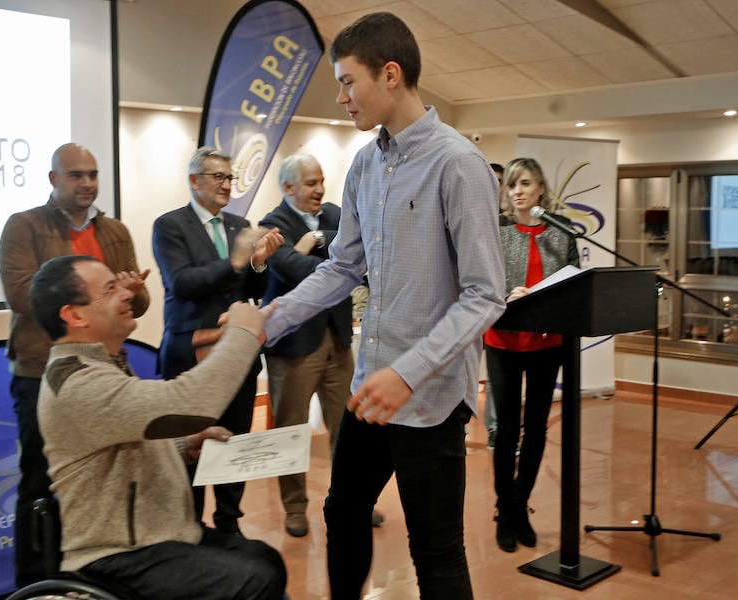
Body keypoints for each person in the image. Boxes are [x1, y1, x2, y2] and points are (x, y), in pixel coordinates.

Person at [263, 12, 505, 599]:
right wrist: (268, 320)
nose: (342, 97)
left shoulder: (457, 164)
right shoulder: (365, 166)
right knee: (343, 514)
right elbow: (343, 268)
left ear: (390, 74)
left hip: (427, 398)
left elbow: (485, 293)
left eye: (348, 82)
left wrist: (410, 372)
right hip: (373, 388)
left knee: (436, 550)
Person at [30, 255, 286, 599]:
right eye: (110, 289)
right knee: (254, 580)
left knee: (265, 561)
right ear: (74, 315)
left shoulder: (101, 363)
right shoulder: (76, 382)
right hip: (117, 554)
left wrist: (184, 445)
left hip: (160, 537)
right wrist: (242, 332)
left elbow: (124, 438)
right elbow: (191, 403)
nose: (127, 293)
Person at [0, 142, 150, 586]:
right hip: (42, 373)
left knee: (107, 483)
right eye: (76, 175)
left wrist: (129, 291)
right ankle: (34, 586)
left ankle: (97, 584)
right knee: (38, 486)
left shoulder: (115, 231)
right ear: (53, 180)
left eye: (93, 174)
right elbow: (23, 296)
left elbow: (137, 304)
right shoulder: (23, 226)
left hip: (107, 370)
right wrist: (100, 295)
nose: (87, 184)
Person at [152, 146, 283, 536]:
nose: (227, 185)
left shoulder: (238, 224)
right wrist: (238, 261)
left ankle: (229, 522)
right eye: (218, 178)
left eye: (230, 178)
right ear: (194, 181)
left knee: (235, 439)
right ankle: (190, 523)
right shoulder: (170, 225)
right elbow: (183, 283)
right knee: (189, 442)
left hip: (235, 352)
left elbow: (254, 288)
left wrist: (260, 261)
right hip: (191, 352)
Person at [259, 154, 384, 537]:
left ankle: (352, 501)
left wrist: (314, 239)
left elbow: (356, 250)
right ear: (288, 188)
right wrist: (335, 262)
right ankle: (295, 508)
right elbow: (293, 270)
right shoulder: (271, 225)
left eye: (321, 180)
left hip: (338, 341)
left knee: (347, 428)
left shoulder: (335, 213)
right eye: (310, 183)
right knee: (290, 431)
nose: (319, 190)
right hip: (294, 348)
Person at [483, 157, 579, 552]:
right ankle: (506, 509)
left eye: (524, 183)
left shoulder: (562, 232)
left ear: (540, 187)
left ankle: (519, 505)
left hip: (547, 343)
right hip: (504, 338)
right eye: (512, 186)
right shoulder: (497, 230)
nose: (517, 191)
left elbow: (572, 282)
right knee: (506, 429)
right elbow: (484, 279)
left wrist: (552, 312)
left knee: (537, 428)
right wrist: (509, 294)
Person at [484, 162, 509, 449]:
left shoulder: (508, 224)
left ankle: (495, 429)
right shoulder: (469, 214)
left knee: (495, 376)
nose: (497, 186)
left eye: (501, 181)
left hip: (499, 309)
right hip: (465, 308)